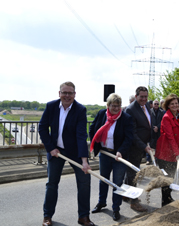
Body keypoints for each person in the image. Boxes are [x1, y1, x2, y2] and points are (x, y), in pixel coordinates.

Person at [39, 81, 94, 226]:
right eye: (64, 92)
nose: (67, 96)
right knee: (52, 184)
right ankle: (47, 216)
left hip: (75, 152)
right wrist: (51, 148)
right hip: (56, 150)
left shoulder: (80, 110)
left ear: (75, 94)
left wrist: (84, 161)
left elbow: (81, 136)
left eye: (70, 93)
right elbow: (42, 128)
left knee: (84, 182)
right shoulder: (51, 106)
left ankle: (83, 217)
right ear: (59, 93)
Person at [89, 93, 134, 221]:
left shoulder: (126, 118)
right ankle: (101, 202)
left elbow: (128, 138)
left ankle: (116, 208)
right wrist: (95, 143)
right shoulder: (101, 114)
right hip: (105, 154)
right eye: (113, 106)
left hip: (119, 156)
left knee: (117, 183)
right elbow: (92, 129)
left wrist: (121, 151)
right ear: (108, 105)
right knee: (103, 179)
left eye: (118, 106)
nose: (116, 108)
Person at [155, 93, 179, 206]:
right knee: (166, 179)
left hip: (174, 151)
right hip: (165, 152)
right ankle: (164, 202)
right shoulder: (166, 118)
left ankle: (168, 198)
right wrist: (177, 153)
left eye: (176, 103)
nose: (175, 105)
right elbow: (170, 137)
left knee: (172, 176)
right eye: (172, 104)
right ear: (168, 105)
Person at [124, 86, 152, 212]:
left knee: (131, 172)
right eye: (141, 96)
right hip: (133, 147)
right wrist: (144, 146)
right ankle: (134, 202)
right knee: (133, 174)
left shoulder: (146, 107)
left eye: (146, 96)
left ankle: (125, 195)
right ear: (136, 96)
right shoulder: (130, 110)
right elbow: (132, 134)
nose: (144, 99)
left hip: (141, 145)